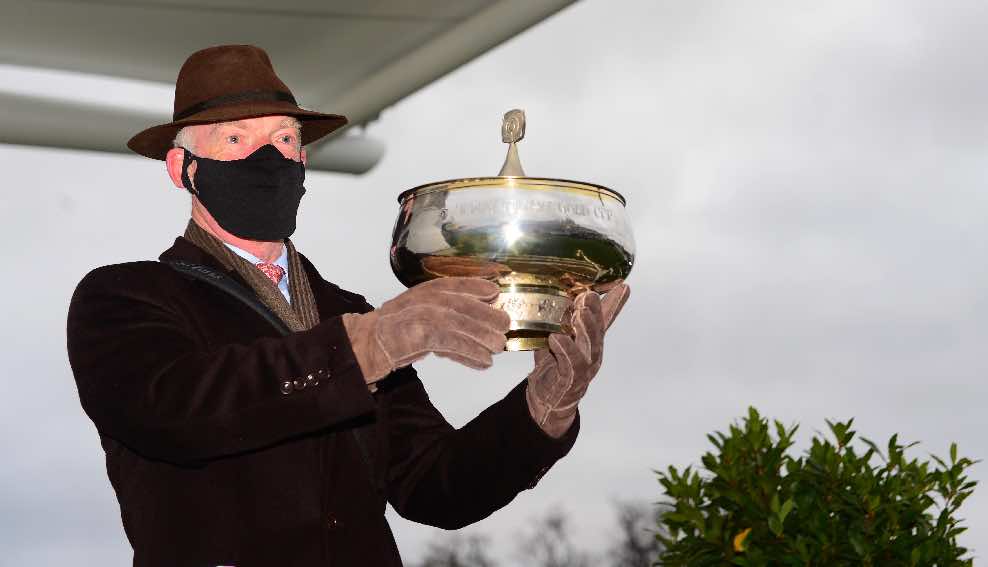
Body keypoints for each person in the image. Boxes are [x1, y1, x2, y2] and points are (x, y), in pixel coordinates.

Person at [66, 44, 630, 567]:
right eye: (235, 140)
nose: (269, 156)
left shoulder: (348, 310)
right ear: (181, 168)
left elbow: (434, 486)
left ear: (304, 160)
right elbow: (177, 413)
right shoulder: (123, 298)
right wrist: (367, 346)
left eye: (285, 140)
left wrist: (543, 407)